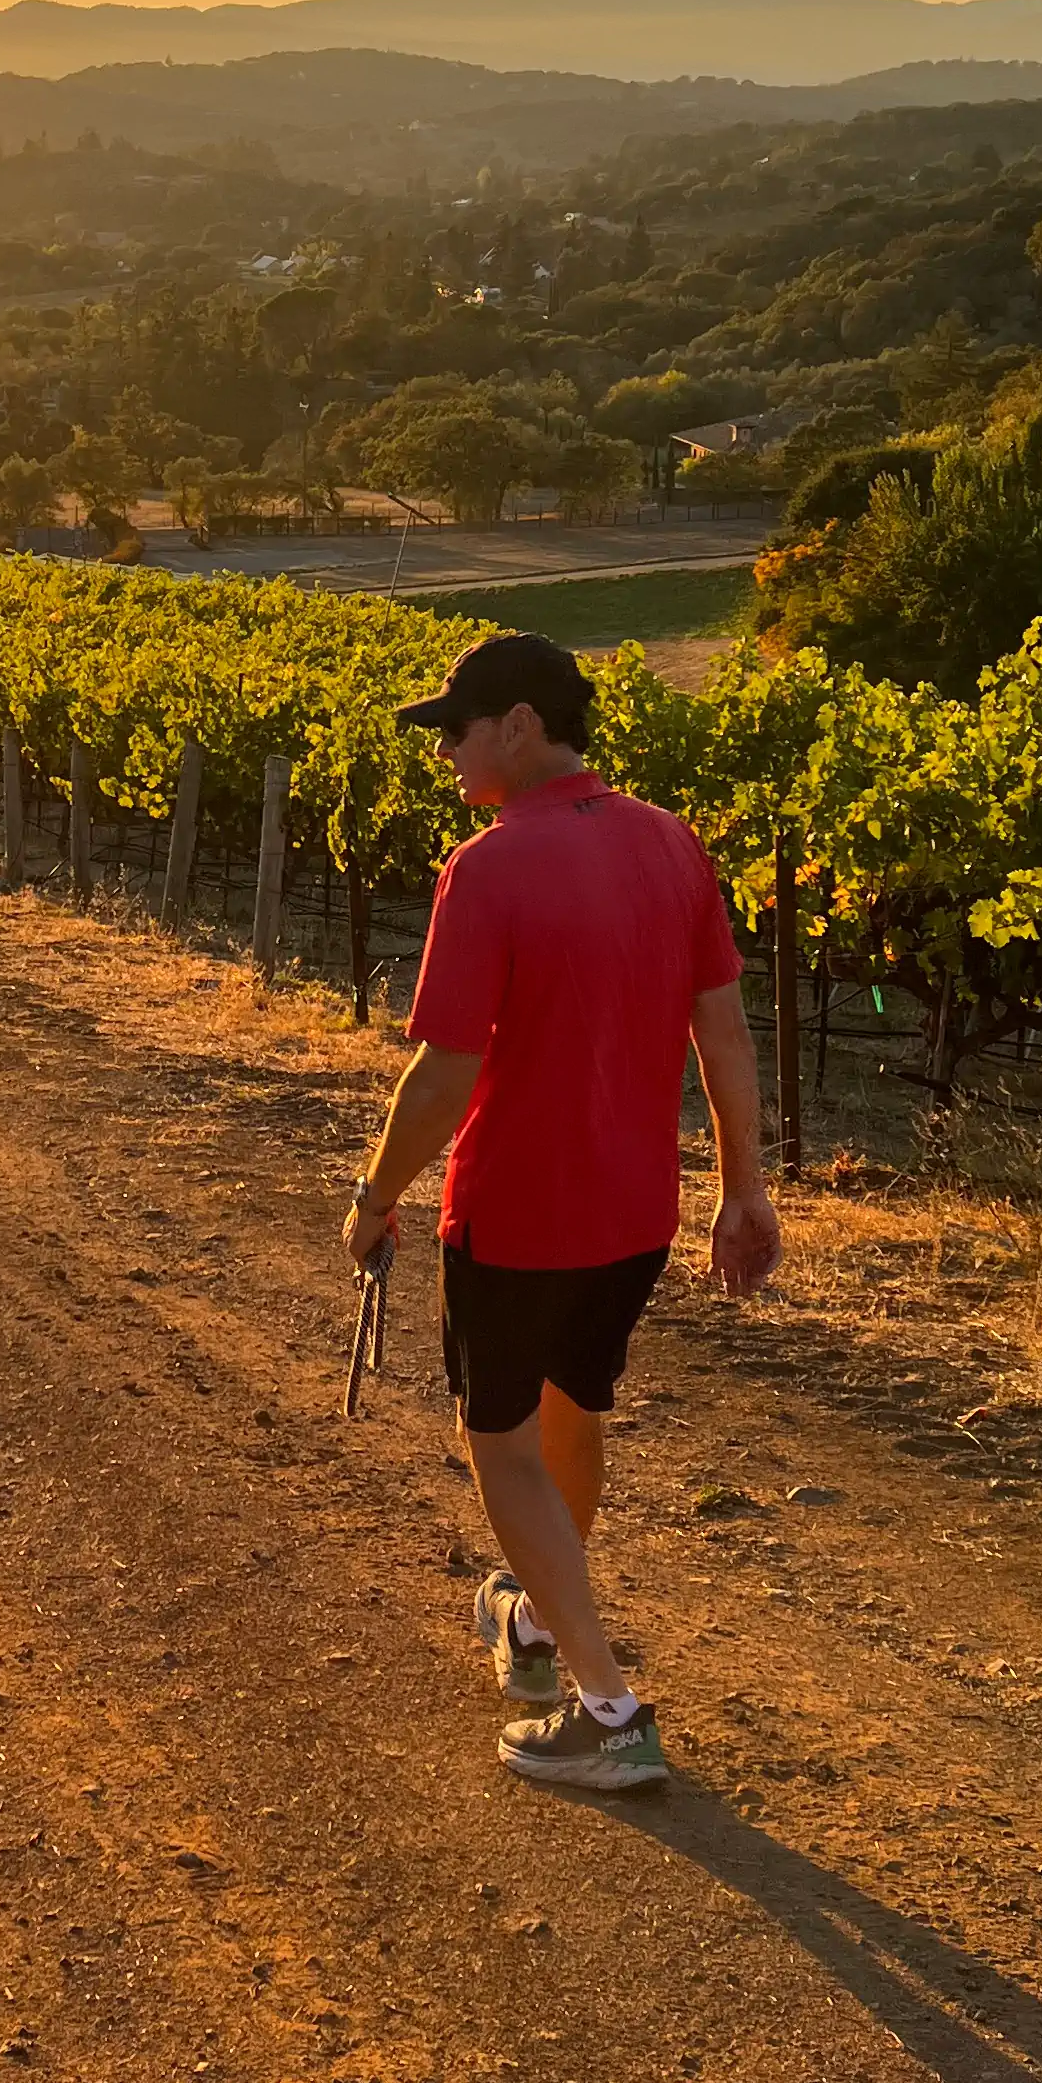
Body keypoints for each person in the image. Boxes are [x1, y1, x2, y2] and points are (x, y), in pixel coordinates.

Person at [340, 629, 778, 1790]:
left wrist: (376, 1195)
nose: (445, 753)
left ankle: (607, 1709)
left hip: (517, 1213)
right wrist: (744, 1187)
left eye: (457, 730)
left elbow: (443, 1074)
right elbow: (723, 1033)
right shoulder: (671, 844)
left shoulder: (484, 870)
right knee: (573, 1415)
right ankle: (534, 1626)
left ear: (521, 725)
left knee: (500, 1447)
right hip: (638, 1210)